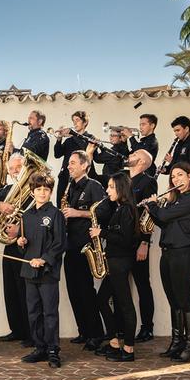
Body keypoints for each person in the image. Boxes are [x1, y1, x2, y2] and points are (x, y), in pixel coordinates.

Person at [140, 161, 190, 363]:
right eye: (173, 176)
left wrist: (153, 204)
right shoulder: (175, 200)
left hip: (183, 254)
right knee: (174, 301)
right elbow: (161, 221)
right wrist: (155, 207)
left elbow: (164, 215)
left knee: (185, 300)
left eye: (180, 175)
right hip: (167, 254)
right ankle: (177, 343)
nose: (175, 179)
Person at [16, 174, 66, 368]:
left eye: (46, 189)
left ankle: (53, 350)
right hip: (29, 272)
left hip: (47, 273)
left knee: (50, 313)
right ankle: (40, 348)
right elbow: (25, 247)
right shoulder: (26, 216)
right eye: (38, 189)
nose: (42, 193)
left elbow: (59, 243)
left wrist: (44, 259)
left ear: (51, 192)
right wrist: (21, 243)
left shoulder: (56, 214)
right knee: (33, 312)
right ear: (32, 192)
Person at [61, 150, 109, 350]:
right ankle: (84, 331)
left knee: (86, 291)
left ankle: (96, 334)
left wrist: (77, 213)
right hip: (71, 246)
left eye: (72, 163)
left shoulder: (94, 186)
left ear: (84, 165)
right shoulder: (70, 187)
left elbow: (104, 211)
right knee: (73, 291)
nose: (69, 166)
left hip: (85, 246)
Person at [89, 172, 138, 362]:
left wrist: (101, 232)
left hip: (120, 262)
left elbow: (125, 240)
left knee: (125, 305)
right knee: (101, 300)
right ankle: (114, 342)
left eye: (111, 187)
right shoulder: (119, 208)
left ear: (121, 188)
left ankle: (129, 349)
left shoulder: (127, 210)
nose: (107, 191)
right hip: (114, 261)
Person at [0, 153, 31, 346]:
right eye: (11, 169)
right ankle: (17, 330)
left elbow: (37, 216)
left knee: (25, 290)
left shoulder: (34, 188)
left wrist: (20, 228)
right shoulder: (6, 189)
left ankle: (30, 333)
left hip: (27, 245)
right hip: (9, 245)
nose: (14, 172)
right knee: (11, 289)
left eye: (18, 168)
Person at [53, 111, 98, 204]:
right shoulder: (69, 140)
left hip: (81, 177)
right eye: (73, 121)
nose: (74, 123)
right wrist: (59, 139)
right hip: (65, 176)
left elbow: (86, 151)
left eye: (77, 120)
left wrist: (73, 134)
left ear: (85, 122)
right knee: (61, 204)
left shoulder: (90, 138)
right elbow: (57, 154)